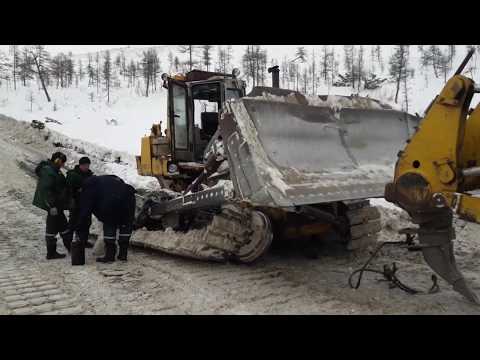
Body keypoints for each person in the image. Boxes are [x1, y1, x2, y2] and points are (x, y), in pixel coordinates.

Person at [75, 175, 136, 263]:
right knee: (125, 224)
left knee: (110, 224)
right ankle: (123, 255)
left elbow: (86, 210)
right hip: (129, 197)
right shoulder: (105, 179)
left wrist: (80, 225)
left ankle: (110, 256)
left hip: (111, 203)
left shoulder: (88, 188)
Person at [32, 152, 72, 259]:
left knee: (59, 225)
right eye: (62, 162)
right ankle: (53, 252)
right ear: (57, 160)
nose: (63, 165)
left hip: (56, 203)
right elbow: (47, 190)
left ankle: (64, 249)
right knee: (56, 226)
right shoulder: (49, 171)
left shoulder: (53, 169)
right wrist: (51, 206)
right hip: (54, 204)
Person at [66, 157, 94, 248]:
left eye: (88, 165)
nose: (87, 167)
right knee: (73, 223)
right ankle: (69, 242)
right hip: (76, 203)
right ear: (80, 165)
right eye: (85, 165)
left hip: (86, 203)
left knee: (86, 222)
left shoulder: (90, 175)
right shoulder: (73, 174)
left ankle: (83, 241)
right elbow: (69, 189)